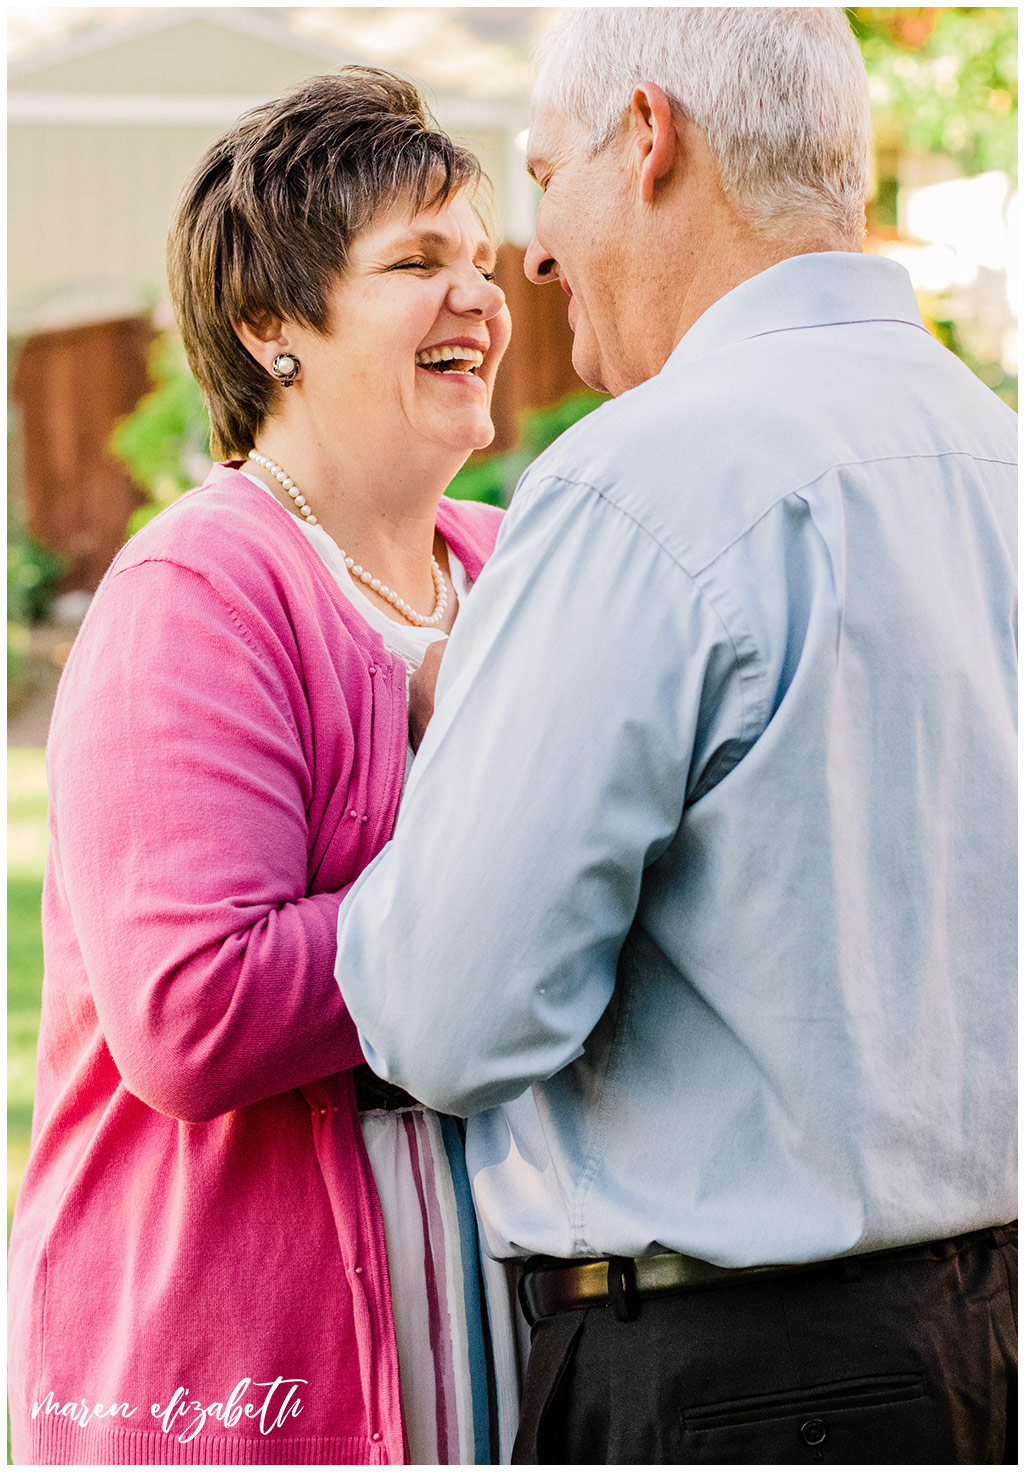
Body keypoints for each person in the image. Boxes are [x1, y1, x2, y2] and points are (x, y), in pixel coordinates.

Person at [333, 9, 1017, 1465]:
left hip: (734, 1384)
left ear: (649, 138)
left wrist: (455, 747)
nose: (531, 251)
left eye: (540, 176)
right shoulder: (997, 460)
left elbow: (453, 1021)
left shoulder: (637, 488)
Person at [7, 69, 517, 1466]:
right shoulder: (199, 586)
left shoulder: (511, 562)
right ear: (270, 323)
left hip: (499, 1354)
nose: (480, 296)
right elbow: (192, 1008)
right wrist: (503, 894)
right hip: (234, 1374)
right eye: (417, 263)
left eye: (482, 257)